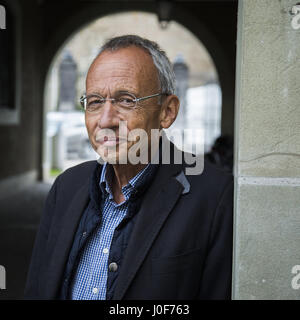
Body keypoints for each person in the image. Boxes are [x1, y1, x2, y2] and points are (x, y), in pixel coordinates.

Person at [24, 35, 233, 300]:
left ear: (167, 112)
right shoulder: (66, 187)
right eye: (95, 102)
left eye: (126, 100)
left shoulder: (215, 196)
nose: (106, 120)